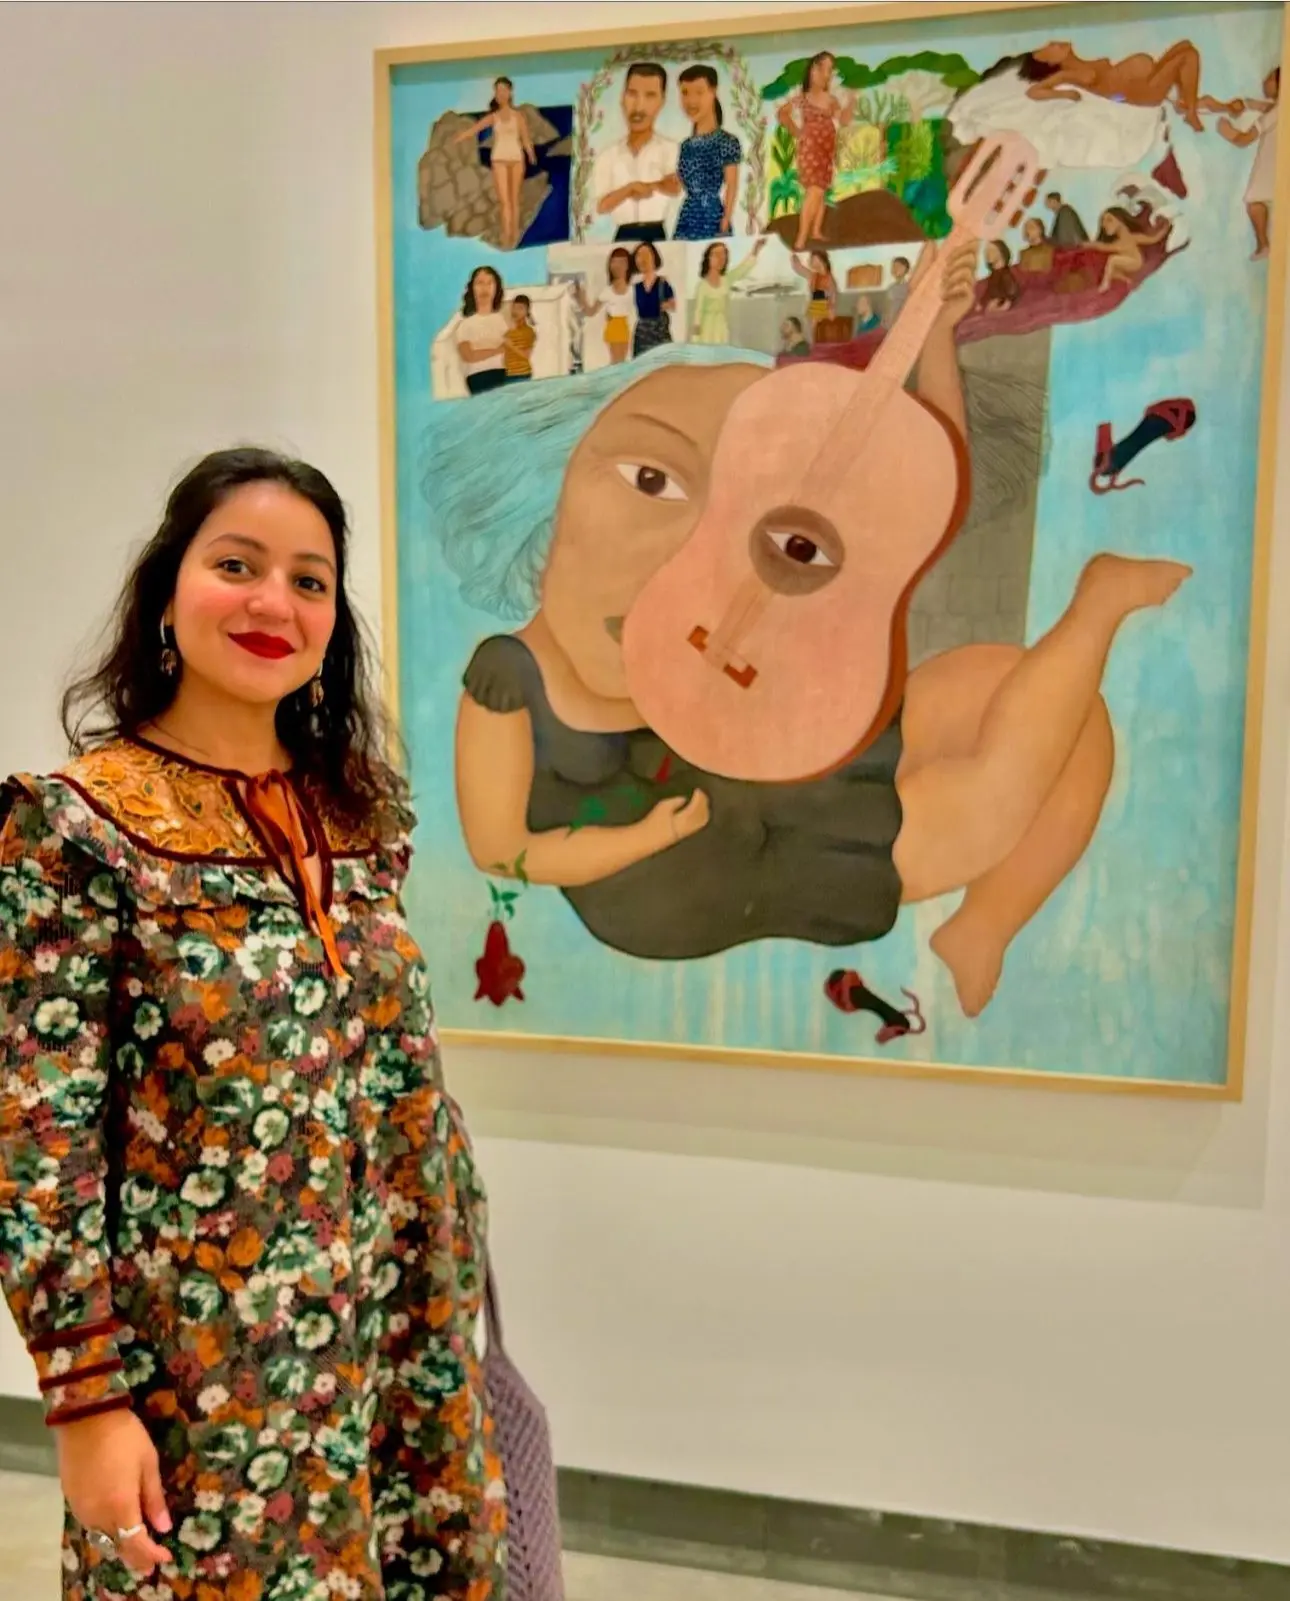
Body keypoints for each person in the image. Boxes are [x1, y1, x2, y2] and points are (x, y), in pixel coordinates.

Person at [426, 237, 1189, 1020]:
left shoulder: (721, 612)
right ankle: (1097, 605)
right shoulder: (509, 676)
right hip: (703, 871)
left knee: (1059, 709)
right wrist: (648, 837)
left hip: (788, 766)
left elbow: (916, 493)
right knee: (999, 784)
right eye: (649, 479)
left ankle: (982, 927)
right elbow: (499, 848)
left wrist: (936, 335)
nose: (689, 548)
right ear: (550, 490)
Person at [0, 448, 505, 1598]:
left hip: (405, 1336)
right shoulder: (77, 828)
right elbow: (37, 1143)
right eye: (237, 564)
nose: (275, 601)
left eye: (309, 579)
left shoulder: (361, 813)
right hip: (213, 1376)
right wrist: (86, 1400)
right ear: (167, 591)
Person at [1024, 38, 1206, 131]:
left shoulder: (1082, 64)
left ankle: (1185, 101)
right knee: (1189, 56)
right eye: (1048, 48)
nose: (1053, 43)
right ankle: (1191, 112)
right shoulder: (1068, 74)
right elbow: (1033, 91)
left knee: (1185, 45)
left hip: (1147, 80)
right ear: (1050, 62)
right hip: (1145, 91)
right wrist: (1064, 94)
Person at [592, 62, 680, 243]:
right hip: (622, 236)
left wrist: (650, 186)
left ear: (662, 101)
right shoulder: (607, 156)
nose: (639, 107)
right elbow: (602, 206)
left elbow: (675, 187)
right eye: (632, 94)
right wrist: (629, 189)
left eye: (650, 96)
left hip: (657, 234)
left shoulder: (671, 149)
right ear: (622, 98)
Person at [778, 51, 856, 251]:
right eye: (823, 69)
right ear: (813, 70)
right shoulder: (803, 98)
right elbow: (782, 114)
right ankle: (801, 238)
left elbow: (844, 120)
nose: (826, 74)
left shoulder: (831, 100)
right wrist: (797, 133)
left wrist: (852, 101)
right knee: (814, 191)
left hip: (826, 151)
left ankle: (815, 231)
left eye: (830, 70)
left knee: (820, 191)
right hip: (810, 150)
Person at [451, 75, 536, 251]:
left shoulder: (518, 116)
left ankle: (514, 234)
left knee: (514, 200)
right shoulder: (494, 117)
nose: (500, 93)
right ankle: (506, 235)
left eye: (503, 90)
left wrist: (531, 155)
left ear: (510, 92)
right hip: (499, 160)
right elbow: (474, 129)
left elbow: (526, 139)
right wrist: (459, 138)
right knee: (504, 202)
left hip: (517, 160)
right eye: (497, 91)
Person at [674, 64, 743, 241]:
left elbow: (732, 185)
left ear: (713, 92)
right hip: (688, 217)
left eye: (699, 92)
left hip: (712, 216)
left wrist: (726, 219)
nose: (691, 101)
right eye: (685, 93)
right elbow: (678, 183)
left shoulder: (727, 141)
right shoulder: (686, 146)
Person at [1218, 66, 1280, 260]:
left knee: (1254, 202)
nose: (1265, 81)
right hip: (1274, 167)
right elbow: (1265, 106)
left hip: (1270, 168)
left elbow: (1244, 140)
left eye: (1270, 78)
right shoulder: (1279, 109)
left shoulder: (1277, 112)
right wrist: (1246, 104)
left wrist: (1228, 131)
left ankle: (1263, 244)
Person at [691, 237, 766, 345]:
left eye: (723, 255)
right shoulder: (702, 286)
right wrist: (695, 343)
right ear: (708, 258)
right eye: (717, 254)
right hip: (706, 331)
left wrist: (756, 250)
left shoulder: (726, 280)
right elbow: (697, 315)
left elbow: (743, 269)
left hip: (721, 329)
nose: (721, 258)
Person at [456, 264, 509, 395]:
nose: (485, 288)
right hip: (477, 377)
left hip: (503, 376)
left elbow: (510, 350)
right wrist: (497, 350)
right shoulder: (465, 324)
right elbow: (469, 356)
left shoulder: (502, 321)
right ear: (472, 288)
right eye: (480, 283)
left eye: (489, 283)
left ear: (496, 288)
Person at [1089, 205, 1170, 291]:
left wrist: (1164, 229)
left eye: (1109, 220)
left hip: (1136, 262)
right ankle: (1126, 280)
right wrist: (1089, 245)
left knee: (1113, 260)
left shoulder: (1133, 238)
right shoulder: (1117, 243)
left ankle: (1105, 285)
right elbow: (1103, 247)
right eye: (1103, 221)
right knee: (1112, 270)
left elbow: (1153, 239)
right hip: (1128, 264)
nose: (1104, 225)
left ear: (1120, 219)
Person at [579, 246, 635, 365]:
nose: (617, 266)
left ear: (628, 265)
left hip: (625, 328)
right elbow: (590, 311)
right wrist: (581, 298)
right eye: (614, 262)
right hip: (614, 328)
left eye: (622, 262)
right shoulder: (607, 291)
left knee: (622, 361)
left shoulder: (633, 290)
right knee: (617, 361)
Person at [631, 241, 676, 357]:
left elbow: (673, 305)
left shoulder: (662, 282)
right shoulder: (636, 287)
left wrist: (665, 305)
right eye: (639, 255)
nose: (643, 259)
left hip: (659, 333)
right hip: (642, 335)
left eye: (646, 254)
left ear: (654, 257)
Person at [791, 248, 837, 340]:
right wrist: (793, 255)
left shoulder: (827, 279)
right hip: (817, 314)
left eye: (812, 258)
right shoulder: (814, 276)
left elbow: (829, 301)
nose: (810, 261)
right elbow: (798, 268)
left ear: (820, 260)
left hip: (823, 316)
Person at [504, 293, 538, 380]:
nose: (516, 311)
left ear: (527, 311)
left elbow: (526, 355)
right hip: (507, 373)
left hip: (522, 373)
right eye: (514, 307)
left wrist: (511, 345)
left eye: (520, 308)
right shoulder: (508, 330)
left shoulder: (529, 331)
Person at [982, 239, 1021, 311]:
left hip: (1005, 300)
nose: (988, 254)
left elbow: (1011, 288)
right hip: (997, 300)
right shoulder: (994, 274)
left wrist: (1007, 302)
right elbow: (989, 290)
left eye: (992, 251)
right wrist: (982, 302)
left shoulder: (1005, 274)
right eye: (986, 252)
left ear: (1001, 252)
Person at [883, 255, 911, 326]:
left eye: (898, 266)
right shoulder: (890, 288)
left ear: (905, 268)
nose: (894, 269)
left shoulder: (909, 286)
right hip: (890, 324)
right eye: (893, 267)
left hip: (904, 322)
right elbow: (887, 308)